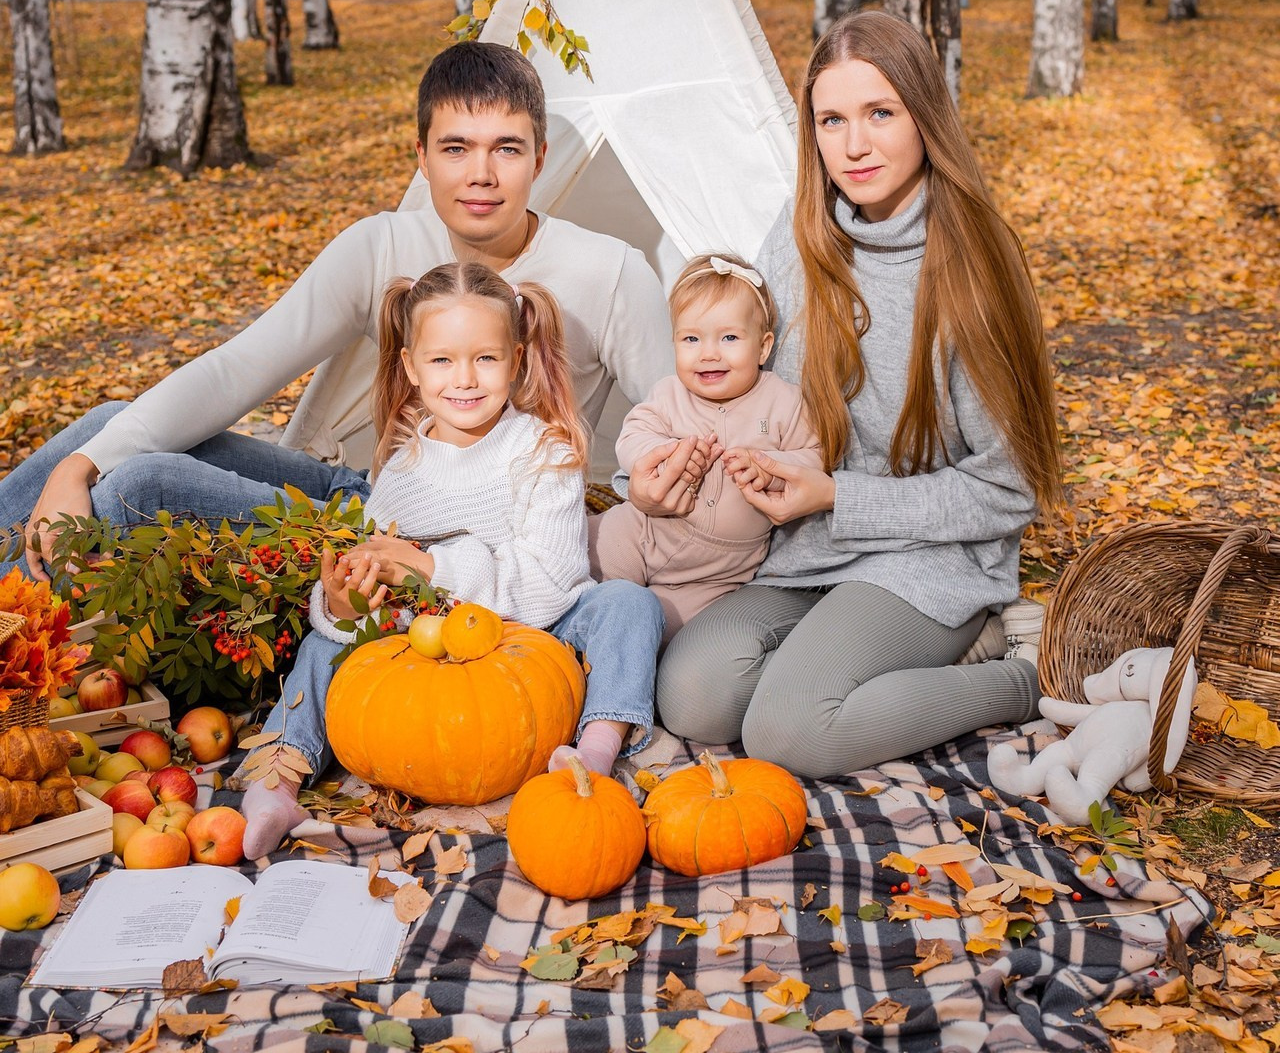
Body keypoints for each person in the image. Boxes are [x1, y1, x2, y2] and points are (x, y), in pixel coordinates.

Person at [2, 43, 685, 581]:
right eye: (455, 149)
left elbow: (670, 433)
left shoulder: (611, 271)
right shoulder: (382, 245)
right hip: (375, 489)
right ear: (421, 159)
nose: (481, 174)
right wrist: (76, 468)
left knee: (145, 481)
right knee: (105, 430)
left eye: (505, 149)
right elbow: (237, 368)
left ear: (539, 158)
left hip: (447, 538)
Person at [652, 11, 1063, 779]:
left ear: (924, 115)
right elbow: (745, 383)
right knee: (693, 695)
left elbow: (1010, 492)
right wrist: (670, 458)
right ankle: (861, 654)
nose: (854, 145)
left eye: (880, 112)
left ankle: (1012, 675)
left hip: (930, 554)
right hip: (811, 547)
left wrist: (837, 495)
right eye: (831, 119)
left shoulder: (971, 269)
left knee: (789, 731)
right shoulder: (800, 235)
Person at [241, 262, 664, 859]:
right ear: (411, 366)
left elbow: (550, 585)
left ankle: (592, 752)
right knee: (324, 644)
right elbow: (369, 584)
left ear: (516, 360)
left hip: (530, 636)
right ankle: (277, 779)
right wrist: (341, 603)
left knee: (627, 603)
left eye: (486, 359)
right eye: (442, 360)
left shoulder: (543, 452)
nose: (464, 379)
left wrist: (432, 568)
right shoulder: (401, 467)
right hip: (425, 642)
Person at [589, 253, 821, 642]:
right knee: (596, 559)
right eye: (691, 339)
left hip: (719, 573)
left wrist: (772, 467)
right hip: (646, 531)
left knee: (661, 634)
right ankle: (575, 621)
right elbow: (634, 434)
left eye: (729, 338)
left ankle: (623, 648)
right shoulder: (669, 393)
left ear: (763, 348)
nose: (708, 353)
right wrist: (662, 454)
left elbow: (814, 458)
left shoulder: (784, 402)